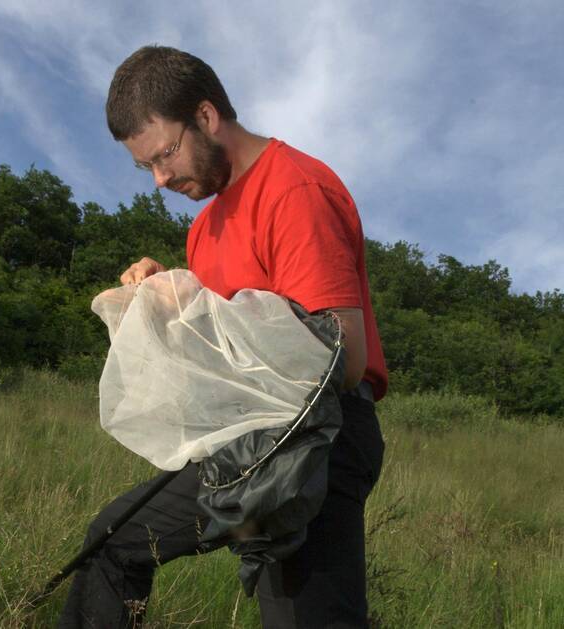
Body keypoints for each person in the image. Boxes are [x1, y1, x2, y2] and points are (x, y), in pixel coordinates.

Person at [59, 45, 387, 629]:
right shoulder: (205, 228)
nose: (160, 179)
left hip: (317, 441)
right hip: (243, 439)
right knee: (111, 542)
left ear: (206, 117)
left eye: (164, 155)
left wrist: (206, 315)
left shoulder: (294, 188)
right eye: (146, 168)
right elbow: (224, 347)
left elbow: (345, 357)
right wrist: (169, 300)